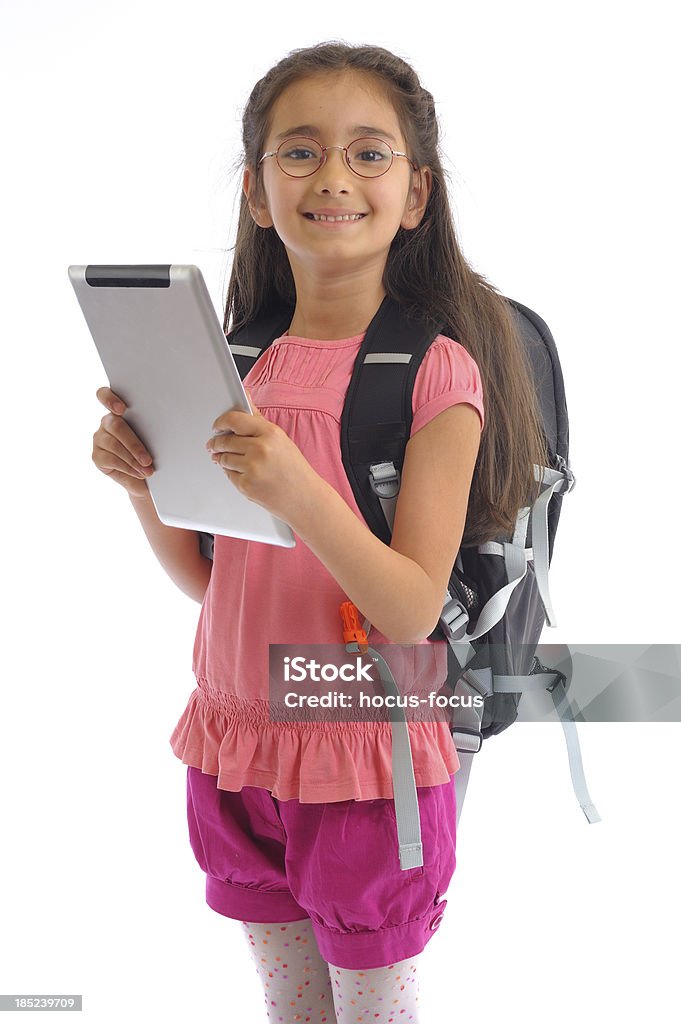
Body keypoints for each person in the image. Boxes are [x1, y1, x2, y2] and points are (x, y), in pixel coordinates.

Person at [92, 41, 548, 1024]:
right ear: (258, 193)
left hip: (358, 755)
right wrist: (143, 482)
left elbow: (410, 605)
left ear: (415, 194)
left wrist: (299, 490)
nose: (333, 175)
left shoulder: (434, 375)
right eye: (298, 153)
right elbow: (210, 578)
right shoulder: (237, 355)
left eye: (369, 154)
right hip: (235, 741)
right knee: (294, 1009)